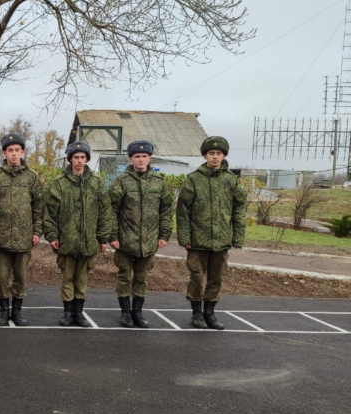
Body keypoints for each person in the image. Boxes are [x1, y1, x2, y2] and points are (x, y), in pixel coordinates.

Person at [177, 136, 246, 330]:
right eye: (211, 154)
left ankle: (210, 313)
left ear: (224, 155)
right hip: (198, 241)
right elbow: (183, 211)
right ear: (205, 155)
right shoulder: (193, 180)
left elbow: (239, 209)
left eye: (218, 154)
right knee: (197, 279)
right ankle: (196, 314)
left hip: (221, 240)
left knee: (216, 278)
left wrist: (237, 237)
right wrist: (185, 238)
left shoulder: (231, 180)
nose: (215, 157)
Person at [44, 141, 115, 327]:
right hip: (66, 242)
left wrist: (102, 238)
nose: (79, 161)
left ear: (87, 159)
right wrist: (52, 236)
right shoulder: (59, 184)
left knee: (82, 279)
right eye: (76, 157)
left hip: (88, 242)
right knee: (67, 277)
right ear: (70, 159)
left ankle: (79, 313)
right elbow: (50, 213)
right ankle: (67, 313)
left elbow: (105, 212)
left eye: (83, 157)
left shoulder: (97, 183)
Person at [109, 140, 173, 328]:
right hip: (125, 241)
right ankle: (125, 313)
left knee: (141, 278)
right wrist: (113, 236)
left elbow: (166, 210)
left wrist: (164, 235)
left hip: (149, 241)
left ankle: (137, 312)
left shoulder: (159, 182)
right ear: (130, 158)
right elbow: (111, 210)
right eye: (137, 156)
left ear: (150, 158)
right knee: (124, 277)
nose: (141, 160)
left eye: (144, 156)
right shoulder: (121, 182)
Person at [0, 133, 44, 326]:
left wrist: (36, 232)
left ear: (22, 152)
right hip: (1, 238)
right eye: (10, 151)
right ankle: (3, 311)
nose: (14, 154)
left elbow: (39, 207)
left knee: (20, 277)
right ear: (4, 153)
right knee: (1, 277)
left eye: (17, 150)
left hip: (24, 238)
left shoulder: (32, 178)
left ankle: (17, 312)